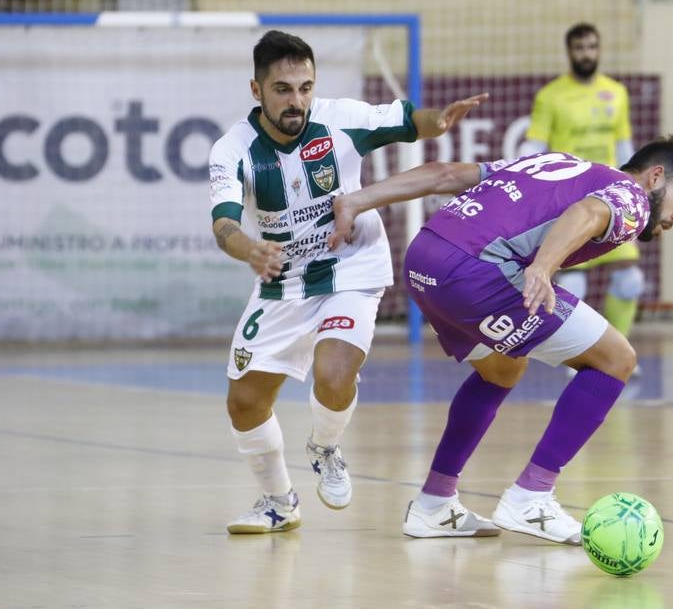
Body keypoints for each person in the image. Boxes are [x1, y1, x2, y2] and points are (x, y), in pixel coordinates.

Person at [329, 137, 673, 543]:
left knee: (501, 369)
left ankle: (434, 504)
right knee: (616, 359)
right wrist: (544, 266)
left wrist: (356, 201)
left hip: (425, 257)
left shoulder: (554, 162)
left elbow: (445, 174)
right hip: (477, 273)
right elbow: (588, 212)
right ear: (655, 177)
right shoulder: (632, 197)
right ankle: (532, 496)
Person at [208, 29, 487, 534]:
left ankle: (325, 446)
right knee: (244, 402)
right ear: (256, 90)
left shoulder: (343, 119)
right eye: (283, 89)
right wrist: (251, 249)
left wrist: (438, 121)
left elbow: (409, 122)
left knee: (333, 374)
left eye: (306, 87)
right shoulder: (232, 151)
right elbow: (224, 223)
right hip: (282, 281)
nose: (297, 101)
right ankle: (278, 502)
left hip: (352, 267)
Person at [522, 23, 645, 339]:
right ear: (569, 52)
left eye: (591, 46)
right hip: (572, 200)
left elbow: (623, 148)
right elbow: (534, 144)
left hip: (614, 199)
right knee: (574, 283)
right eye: (579, 48)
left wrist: (638, 189)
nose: (586, 53)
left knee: (630, 281)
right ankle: (580, 354)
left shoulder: (616, 93)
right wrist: (519, 172)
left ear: (599, 49)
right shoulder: (551, 96)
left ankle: (619, 352)